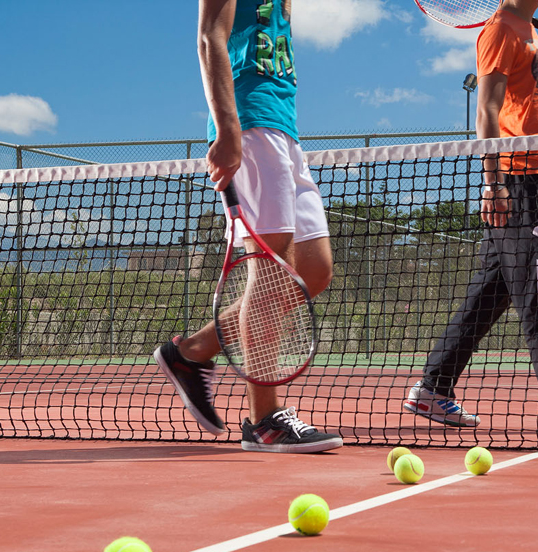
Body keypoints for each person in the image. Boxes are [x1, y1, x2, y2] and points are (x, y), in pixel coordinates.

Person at [403, 0, 538, 433]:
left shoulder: (529, 31)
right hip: (521, 181)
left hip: (534, 174)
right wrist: (493, 182)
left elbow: (533, 103)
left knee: (488, 297)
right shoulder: (501, 28)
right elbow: (486, 111)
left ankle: (433, 387)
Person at [153, 0, 342, 453]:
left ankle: (192, 351)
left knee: (313, 272)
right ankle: (265, 421)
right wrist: (228, 127)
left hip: (285, 131)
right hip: (251, 125)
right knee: (272, 269)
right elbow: (209, 37)